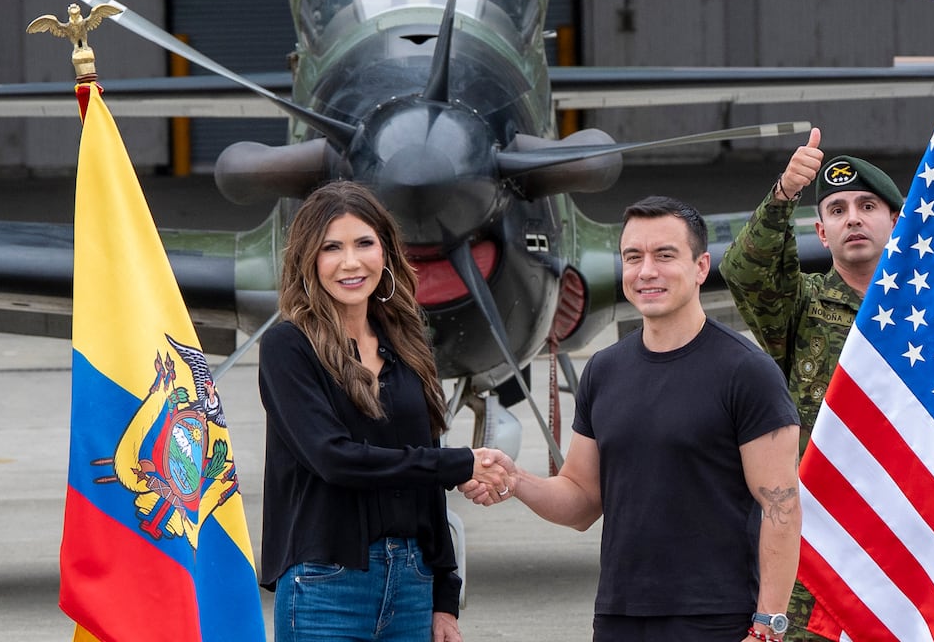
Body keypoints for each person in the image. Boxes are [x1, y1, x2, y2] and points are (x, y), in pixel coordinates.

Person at [718, 127, 934, 641]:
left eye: (867, 205)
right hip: (822, 539)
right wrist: (782, 196)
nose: (853, 218)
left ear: (898, 221)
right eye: (837, 210)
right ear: (821, 233)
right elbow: (746, 273)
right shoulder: (800, 306)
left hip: (914, 528)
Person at [464, 195, 804, 642]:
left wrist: (769, 624)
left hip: (717, 620)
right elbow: (582, 501)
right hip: (619, 617)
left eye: (665, 255)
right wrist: (516, 480)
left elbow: (781, 507)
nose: (647, 271)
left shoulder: (747, 372)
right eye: (633, 257)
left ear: (701, 267)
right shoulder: (603, 371)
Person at [257, 181, 510, 642]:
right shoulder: (288, 347)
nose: (350, 262)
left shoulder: (407, 343)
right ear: (308, 261)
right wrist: (459, 464)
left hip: (413, 586)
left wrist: (444, 598)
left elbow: (424, 475)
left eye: (364, 243)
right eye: (331, 247)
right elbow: (336, 458)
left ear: (387, 253)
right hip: (324, 588)